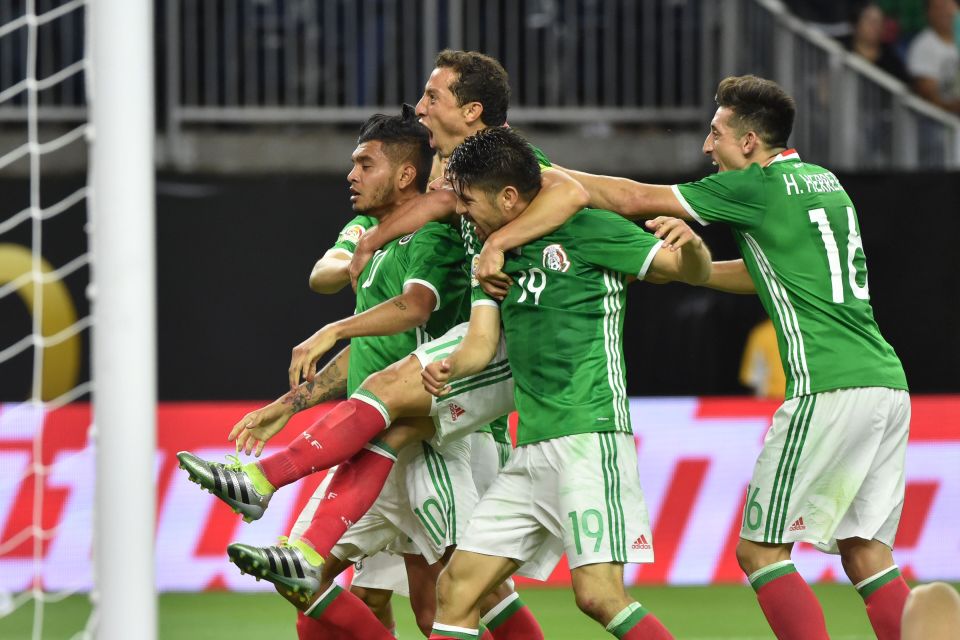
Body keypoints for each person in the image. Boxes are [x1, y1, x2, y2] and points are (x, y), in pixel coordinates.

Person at [489, 74, 911, 640]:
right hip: (886, 383)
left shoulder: (756, 186)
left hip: (829, 386)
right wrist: (694, 271)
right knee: (867, 554)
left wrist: (537, 172)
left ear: (749, 143)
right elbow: (773, 277)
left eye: (716, 134)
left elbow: (635, 198)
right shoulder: (823, 182)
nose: (706, 148)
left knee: (760, 552)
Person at [420, 126, 712, 640]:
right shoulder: (491, 254)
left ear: (508, 197)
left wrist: (691, 246)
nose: (460, 211)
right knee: (457, 589)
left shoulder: (589, 228)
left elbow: (685, 271)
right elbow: (482, 345)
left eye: (467, 200)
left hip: (588, 436)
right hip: (530, 449)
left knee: (598, 597)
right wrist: (451, 369)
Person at [907, 0, 960, 113]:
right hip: (939, 124)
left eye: (947, 6)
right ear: (928, 13)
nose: (944, 12)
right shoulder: (923, 45)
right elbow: (930, 96)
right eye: (939, 8)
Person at [840, 2, 910, 83]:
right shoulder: (840, 49)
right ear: (856, 24)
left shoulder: (892, 62)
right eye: (868, 19)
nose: (874, 26)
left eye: (878, 21)